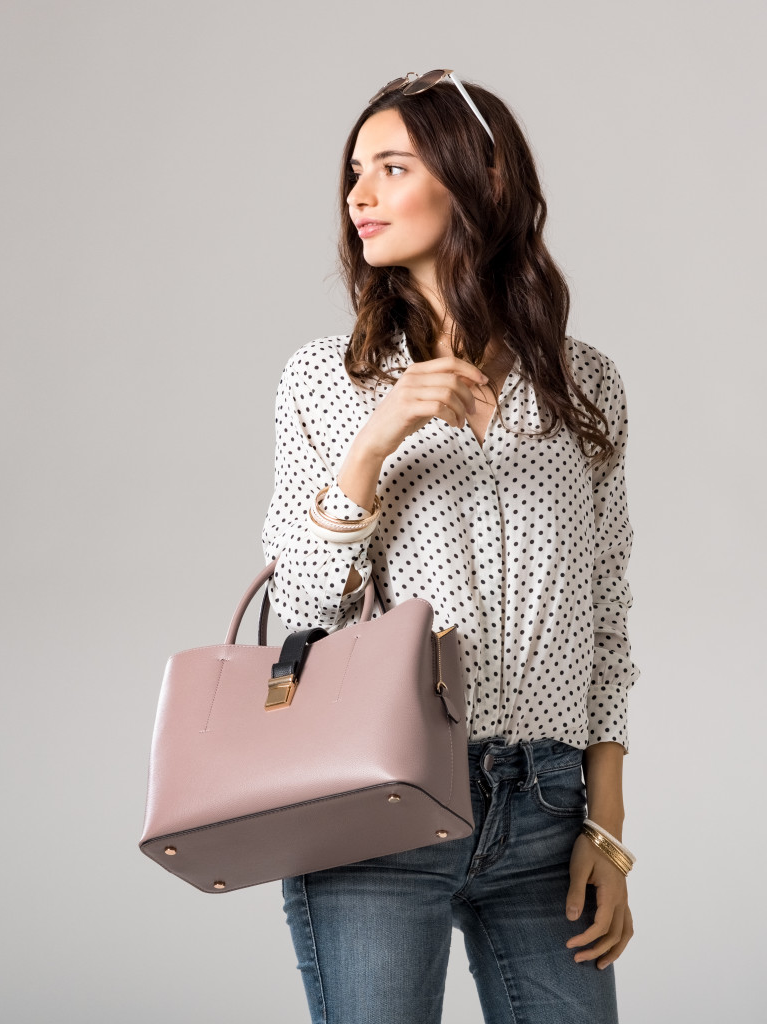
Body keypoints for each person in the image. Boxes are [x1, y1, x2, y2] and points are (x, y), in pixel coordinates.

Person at [260, 71, 639, 1024]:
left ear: (485, 182)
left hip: (548, 810)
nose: (359, 196)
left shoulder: (584, 388)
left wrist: (607, 825)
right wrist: (374, 440)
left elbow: (605, 617)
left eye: (392, 167)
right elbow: (300, 616)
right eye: (355, 172)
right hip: (380, 800)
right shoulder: (326, 382)